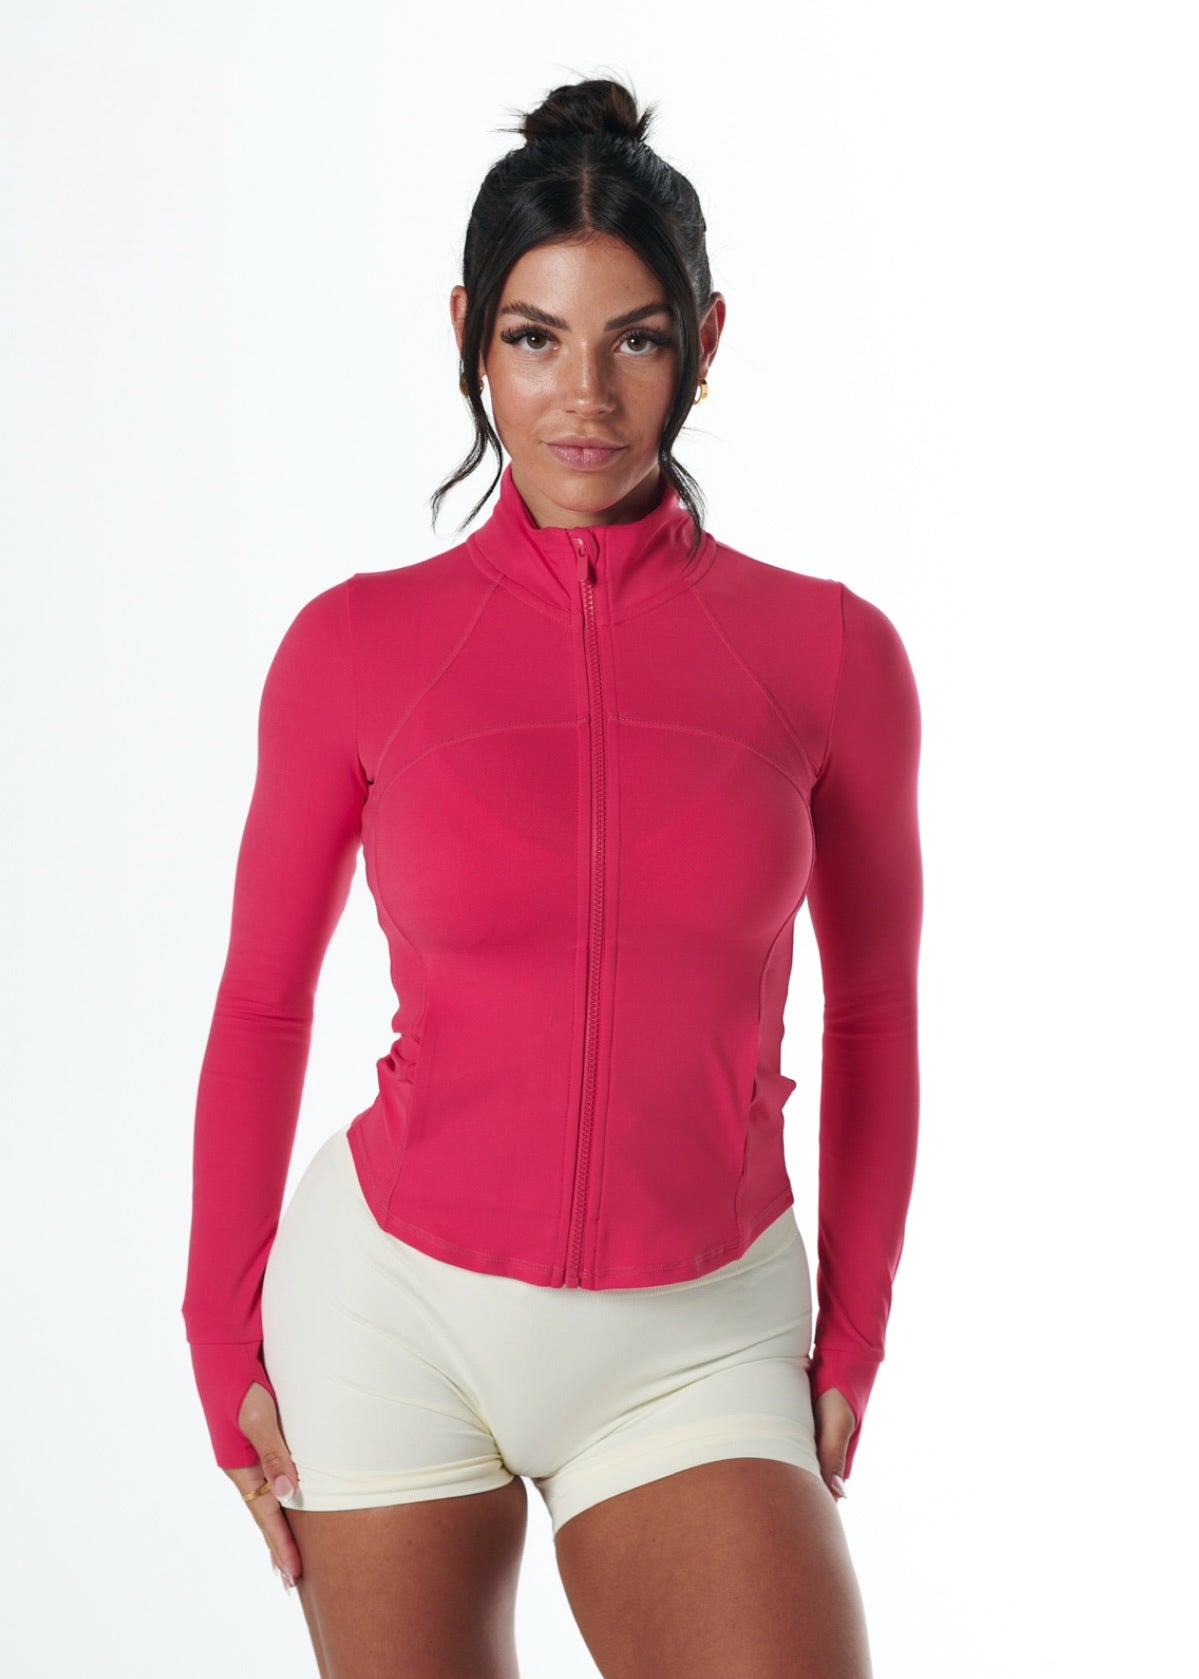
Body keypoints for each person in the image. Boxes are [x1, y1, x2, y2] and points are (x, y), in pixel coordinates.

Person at [182, 73, 922, 1679]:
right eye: (535, 338)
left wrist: (853, 1330)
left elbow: (871, 1011)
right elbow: (263, 1001)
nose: (583, 395)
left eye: (634, 340)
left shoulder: (830, 655)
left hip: (696, 1337)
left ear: (705, 343)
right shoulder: (354, 649)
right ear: (470, 334)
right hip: (394, 1316)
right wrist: (217, 1330)